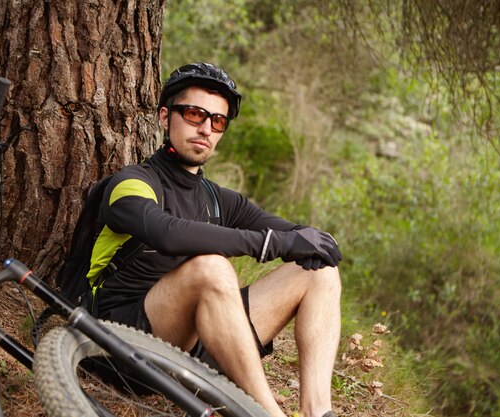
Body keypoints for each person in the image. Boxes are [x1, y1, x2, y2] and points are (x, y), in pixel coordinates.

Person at [89, 62, 342, 417]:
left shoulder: (217, 199)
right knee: (211, 267)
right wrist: (269, 245)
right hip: (123, 342)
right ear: (165, 117)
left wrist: (316, 240)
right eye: (194, 114)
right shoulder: (132, 183)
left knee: (319, 272)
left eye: (218, 121)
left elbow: (288, 231)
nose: (206, 128)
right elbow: (166, 233)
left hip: (197, 349)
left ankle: (318, 412)